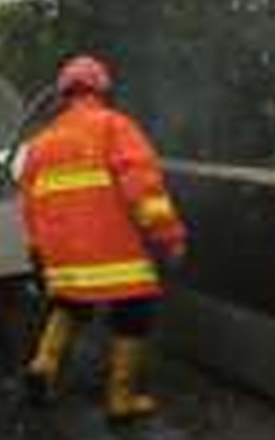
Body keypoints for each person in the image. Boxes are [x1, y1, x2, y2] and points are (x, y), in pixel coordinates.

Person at [19, 55, 187, 420]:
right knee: (134, 312)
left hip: (63, 258)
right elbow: (144, 190)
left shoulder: (41, 143)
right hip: (115, 254)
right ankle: (121, 398)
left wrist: (38, 253)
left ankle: (43, 365)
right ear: (102, 90)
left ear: (63, 94)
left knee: (70, 305)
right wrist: (168, 238)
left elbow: (30, 207)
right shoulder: (115, 126)